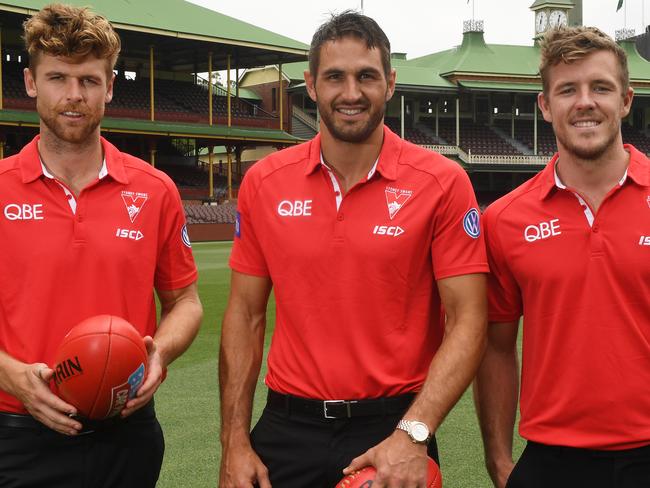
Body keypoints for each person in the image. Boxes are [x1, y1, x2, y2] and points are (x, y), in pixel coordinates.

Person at [219, 10, 488, 488]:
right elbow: (244, 313)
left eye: (366, 76)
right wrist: (234, 441)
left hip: (393, 427)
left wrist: (415, 431)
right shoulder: (264, 182)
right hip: (287, 429)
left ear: (390, 82)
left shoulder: (442, 183)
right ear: (310, 84)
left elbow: (468, 318)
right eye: (334, 77)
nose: (350, 93)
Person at [0, 4, 203, 487]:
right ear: (30, 83)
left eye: (89, 81)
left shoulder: (155, 189)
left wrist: (161, 354)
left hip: (127, 434)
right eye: (57, 78)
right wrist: (8, 373)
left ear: (110, 87)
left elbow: (186, 302)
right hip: (16, 435)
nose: (74, 96)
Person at [474, 26, 650, 488]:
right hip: (552, 462)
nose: (585, 102)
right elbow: (495, 347)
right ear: (546, 105)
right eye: (568, 89)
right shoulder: (505, 219)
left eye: (601, 88)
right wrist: (498, 459)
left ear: (626, 100)